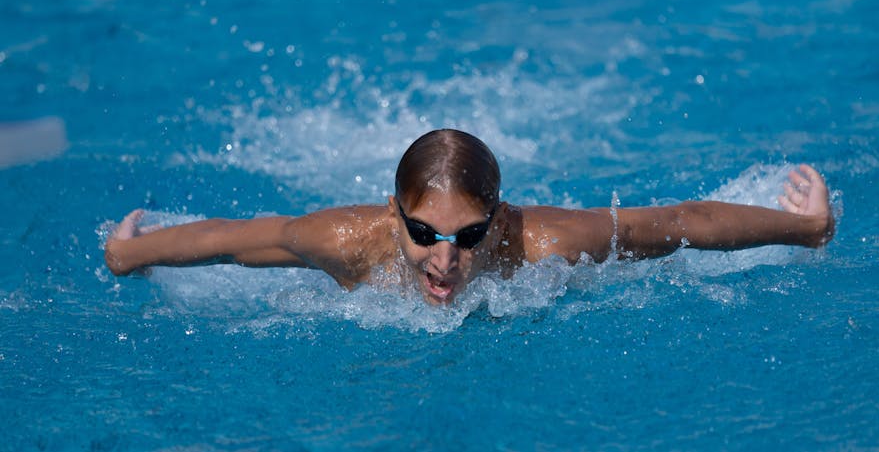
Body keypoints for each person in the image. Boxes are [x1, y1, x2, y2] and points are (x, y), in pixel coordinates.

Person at [105, 129, 835, 305]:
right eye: (424, 233)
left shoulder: (541, 244)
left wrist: (808, 228)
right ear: (396, 216)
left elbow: (679, 221)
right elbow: (236, 240)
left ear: (498, 219)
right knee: (278, 250)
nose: (445, 259)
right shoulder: (349, 239)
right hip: (347, 255)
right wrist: (128, 255)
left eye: (468, 236)